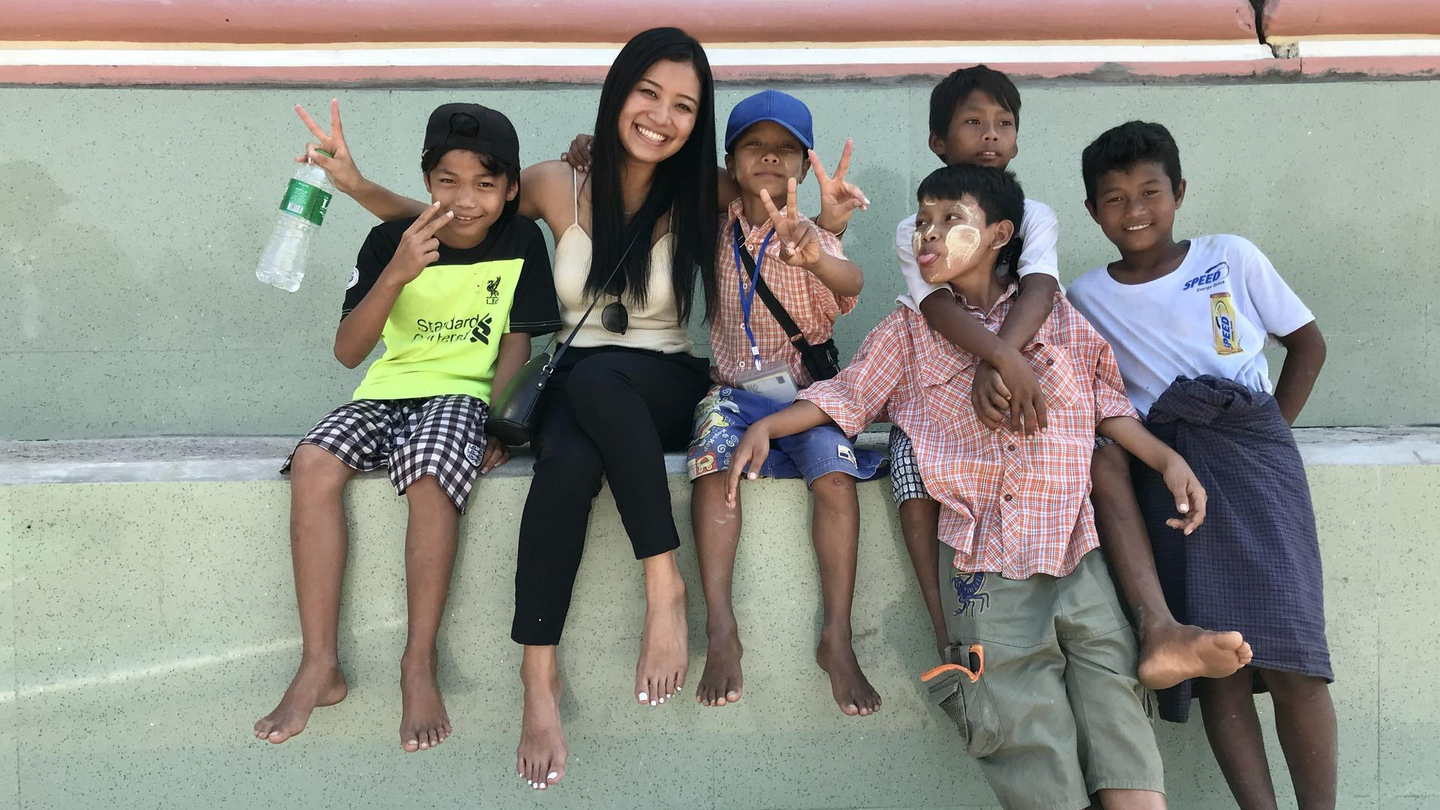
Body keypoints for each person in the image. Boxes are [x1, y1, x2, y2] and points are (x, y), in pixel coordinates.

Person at [294, 28, 722, 790]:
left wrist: (823, 232)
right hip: (576, 382)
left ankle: (665, 586)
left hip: (662, 381)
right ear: (618, 93)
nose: (662, 117)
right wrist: (358, 187)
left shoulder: (705, 189)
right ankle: (538, 675)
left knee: (599, 382)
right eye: (648, 93)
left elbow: (792, 225)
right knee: (564, 464)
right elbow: (463, 219)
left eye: (684, 106)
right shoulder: (558, 181)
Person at [728, 164, 1203, 810]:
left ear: (1001, 234)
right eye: (923, 221)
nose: (929, 233)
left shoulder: (1058, 317)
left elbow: (1107, 407)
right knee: (1029, 748)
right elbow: (847, 394)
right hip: (987, 572)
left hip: (1078, 554)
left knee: (1123, 736)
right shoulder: (908, 332)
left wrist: (1166, 460)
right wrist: (769, 426)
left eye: (951, 219)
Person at [888, 65, 1250, 689]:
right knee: (911, 467)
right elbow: (937, 308)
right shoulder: (915, 227)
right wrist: (1002, 362)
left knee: (1101, 456)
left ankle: (1158, 627)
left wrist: (1003, 361)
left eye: (1004, 122)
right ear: (938, 142)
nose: (991, 134)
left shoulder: (1033, 214)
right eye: (973, 122)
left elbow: (1039, 288)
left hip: (1026, 392)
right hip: (951, 399)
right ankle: (943, 628)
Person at [253, 104, 561, 753]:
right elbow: (348, 352)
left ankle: (417, 660)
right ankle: (319, 664)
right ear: (427, 181)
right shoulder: (390, 240)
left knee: (428, 474)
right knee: (313, 461)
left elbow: (516, 342)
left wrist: (499, 424)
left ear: (510, 189)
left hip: (461, 395)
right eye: (448, 181)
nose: (466, 199)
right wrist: (396, 271)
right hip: (386, 392)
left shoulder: (521, 242)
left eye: (485, 184)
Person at [1069, 120, 1335, 810]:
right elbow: (1097, 398)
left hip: (1255, 455)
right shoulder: (1085, 298)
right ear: (1093, 211)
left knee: (1296, 656)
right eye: (1114, 198)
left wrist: (1268, 434)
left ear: (1180, 192)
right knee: (1220, 661)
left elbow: (1307, 344)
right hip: (1169, 474)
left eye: (1150, 192)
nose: (1134, 211)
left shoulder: (1230, 256)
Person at [685, 90, 886, 715]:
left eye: (786, 149)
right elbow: (671, 172)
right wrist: (589, 148)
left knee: (836, 479)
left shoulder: (815, 233)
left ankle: (837, 636)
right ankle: (721, 626)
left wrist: (817, 251)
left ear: (804, 164)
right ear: (731, 161)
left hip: (807, 398)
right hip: (732, 394)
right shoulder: (716, 223)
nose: (770, 157)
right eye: (754, 146)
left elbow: (852, 281)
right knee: (712, 466)